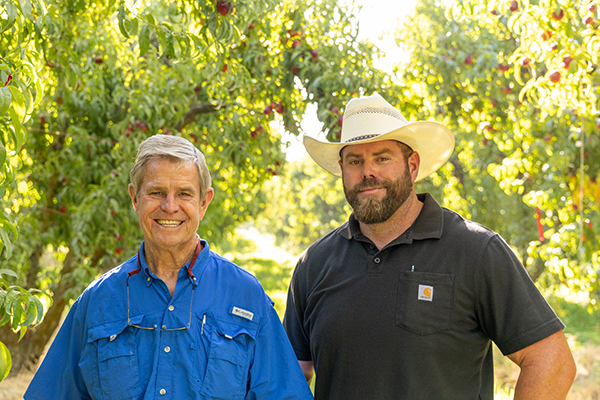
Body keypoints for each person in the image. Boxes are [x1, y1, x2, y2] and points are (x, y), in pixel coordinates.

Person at [283, 93, 577, 400]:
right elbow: (292, 373)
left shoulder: (476, 250)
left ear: (412, 166)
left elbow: (551, 361)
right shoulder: (314, 264)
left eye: (382, 158)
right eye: (355, 161)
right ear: (342, 170)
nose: (368, 172)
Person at [25, 134, 313, 400]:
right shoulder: (98, 301)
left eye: (185, 194)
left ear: (204, 202)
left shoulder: (246, 296)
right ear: (135, 199)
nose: (169, 206)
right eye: (156, 192)